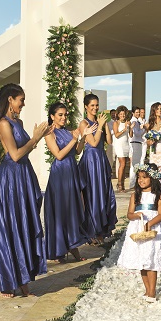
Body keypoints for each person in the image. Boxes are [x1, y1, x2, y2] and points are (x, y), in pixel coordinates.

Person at [0, 83, 50, 298]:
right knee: (9, 227)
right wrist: (35, 138)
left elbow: (24, 153)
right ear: (10, 100)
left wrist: (36, 138)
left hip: (23, 177)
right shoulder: (3, 124)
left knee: (24, 225)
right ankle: (6, 282)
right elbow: (14, 155)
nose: (23, 104)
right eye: (21, 100)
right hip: (10, 181)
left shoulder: (18, 122)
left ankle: (24, 281)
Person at [43, 102, 94, 264]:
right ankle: (60, 250)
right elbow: (58, 155)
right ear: (52, 116)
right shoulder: (49, 133)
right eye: (60, 115)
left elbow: (77, 151)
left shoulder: (68, 131)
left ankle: (72, 247)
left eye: (65, 114)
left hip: (72, 172)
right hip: (60, 175)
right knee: (61, 212)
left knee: (72, 210)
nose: (64, 117)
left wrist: (83, 136)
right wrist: (74, 139)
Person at [117, 163, 161, 302]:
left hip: (152, 229)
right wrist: (136, 215)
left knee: (151, 259)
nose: (141, 180)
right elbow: (129, 214)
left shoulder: (158, 196)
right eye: (139, 177)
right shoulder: (135, 195)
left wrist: (150, 223)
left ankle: (152, 291)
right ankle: (147, 289)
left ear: (152, 178)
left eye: (144, 177)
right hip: (138, 228)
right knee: (142, 260)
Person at [78, 94, 117, 244]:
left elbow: (109, 141)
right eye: (92, 105)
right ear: (86, 107)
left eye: (96, 105)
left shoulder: (101, 122)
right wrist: (100, 126)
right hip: (90, 162)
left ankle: (101, 230)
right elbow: (93, 143)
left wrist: (104, 125)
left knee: (103, 194)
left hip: (101, 160)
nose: (95, 108)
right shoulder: (83, 123)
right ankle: (91, 232)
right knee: (92, 195)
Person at [144, 102, 161, 190]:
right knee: (154, 176)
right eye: (158, 109)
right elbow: (147, 142)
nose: (160, 110)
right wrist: (150, 142)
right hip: (153, 153)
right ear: (153, 110)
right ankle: (156, 198)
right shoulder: (149, 125)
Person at [112, 105, 131, 192]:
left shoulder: (127, 122)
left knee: (124, 165)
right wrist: (124, 129)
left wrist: (130, 127)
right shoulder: (116, 123)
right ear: (118, 115)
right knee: (122, 164)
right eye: (121, 114)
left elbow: (131, 135)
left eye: (123, 114)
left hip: (126, 144)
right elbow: (116, 135)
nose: (122, 115)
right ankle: (120, 185)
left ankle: (121, 183)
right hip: (119, 144)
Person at [128, 107, 145, 190]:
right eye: (137, 112)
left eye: (139, 112)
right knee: (134, 165)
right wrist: (143, 129)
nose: (138, 114)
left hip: (137, 143)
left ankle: (133, 183)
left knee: (136, 164)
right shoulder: (134, 121)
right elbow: (137, 134)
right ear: (133, 113)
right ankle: (132, 183)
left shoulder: (136, 121)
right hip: (135, 143)